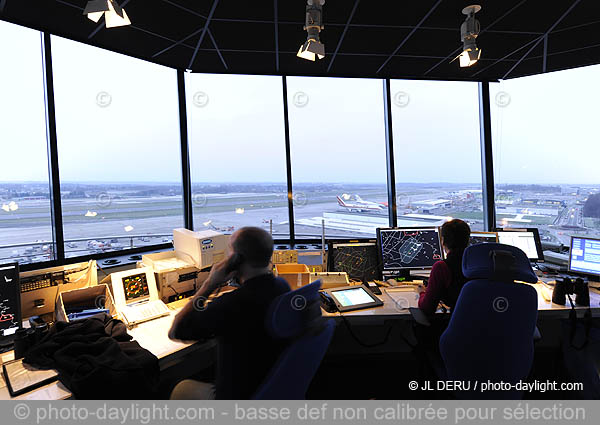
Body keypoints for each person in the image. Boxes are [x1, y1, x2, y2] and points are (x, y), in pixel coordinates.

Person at [168, 226, 290, 400]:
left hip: (239, 396)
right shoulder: (282, 287)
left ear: (235, 259)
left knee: (180, 389)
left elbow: (176, 331)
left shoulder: (231, 304)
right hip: (272, 387)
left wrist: (209, 284)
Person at [418, 219, 471, 315]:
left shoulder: (441, 267)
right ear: (467, 240)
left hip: (455, 325)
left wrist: (422, 293)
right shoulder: (479, 265)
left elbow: (427, 308)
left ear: (443, 241)